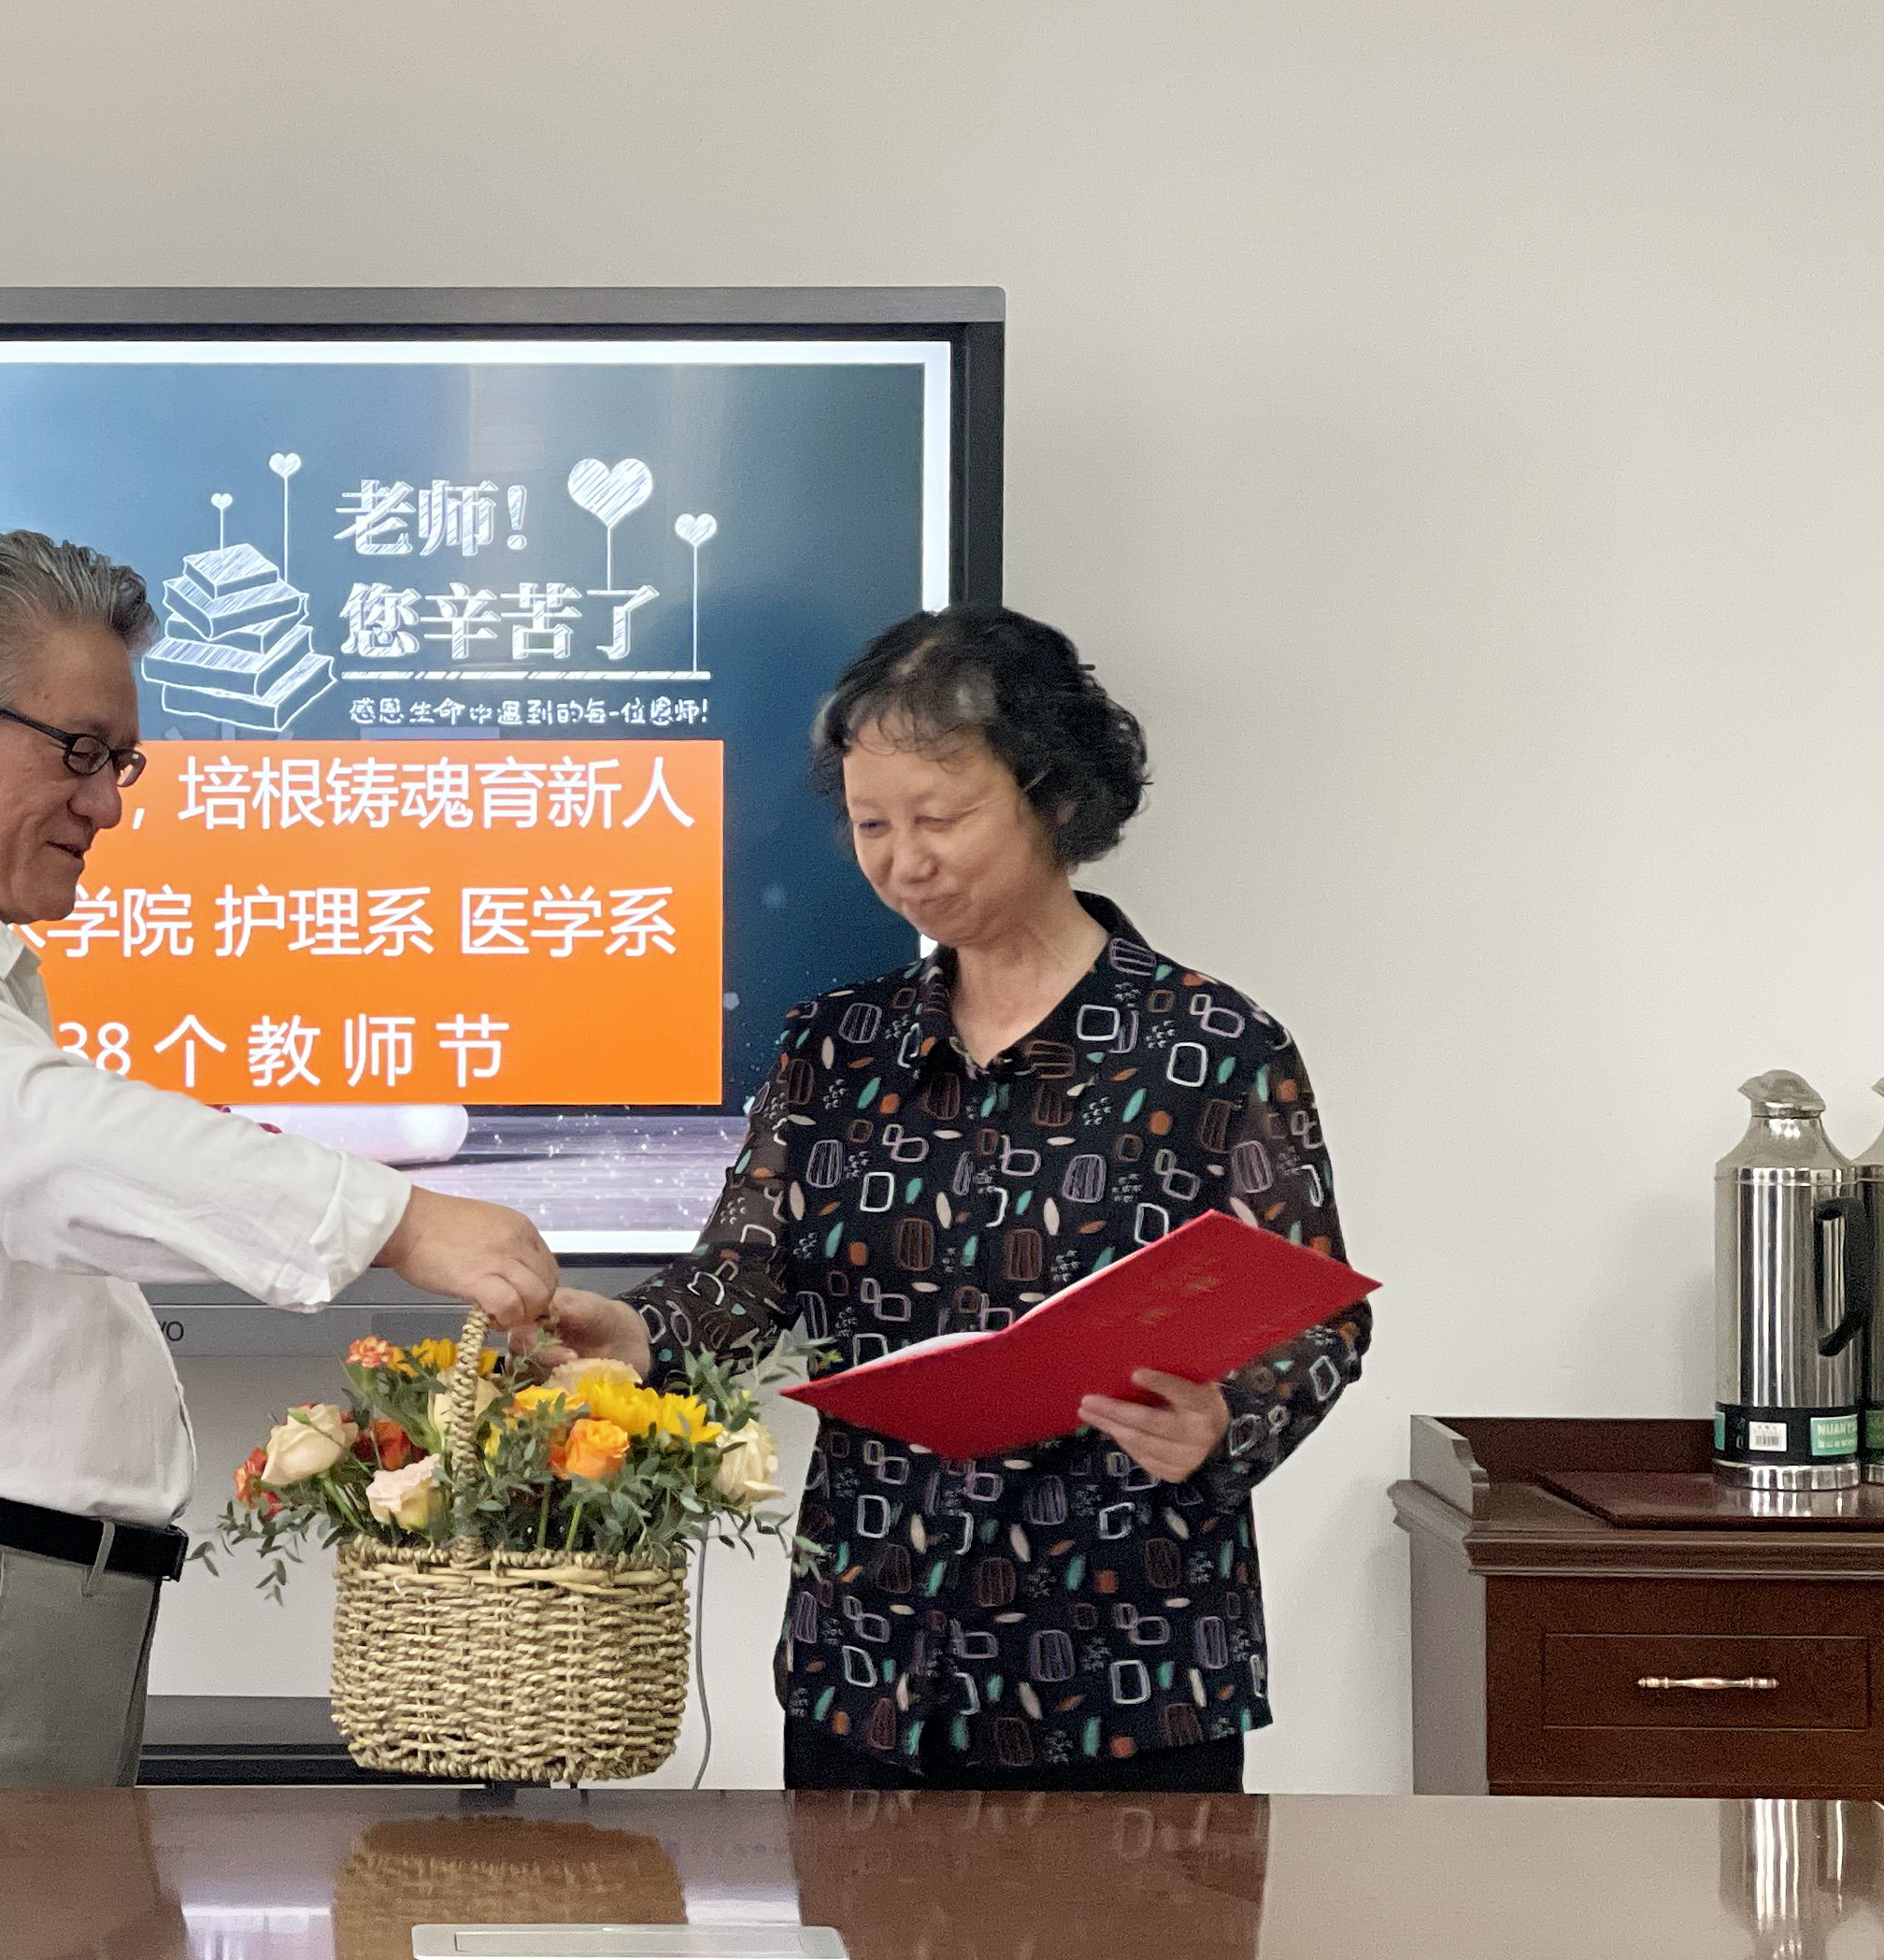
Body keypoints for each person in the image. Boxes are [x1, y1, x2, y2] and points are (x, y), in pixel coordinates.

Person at [0, 527, 558, 1788]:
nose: (107, 804)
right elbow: (56, 1143)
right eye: (77, 751)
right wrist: (401, 1221)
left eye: (122, 764)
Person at [546, 606, 1369, 1794]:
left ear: (1058, 797)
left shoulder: (1212, 1047)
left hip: (1128, 1659)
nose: (904, 861)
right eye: (872, 825)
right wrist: (637, 1335)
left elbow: (1317, 1315)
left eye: (940, 819)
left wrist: (1225, 1418)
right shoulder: (837, 1047)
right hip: (871, 1650)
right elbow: (747, 1273)